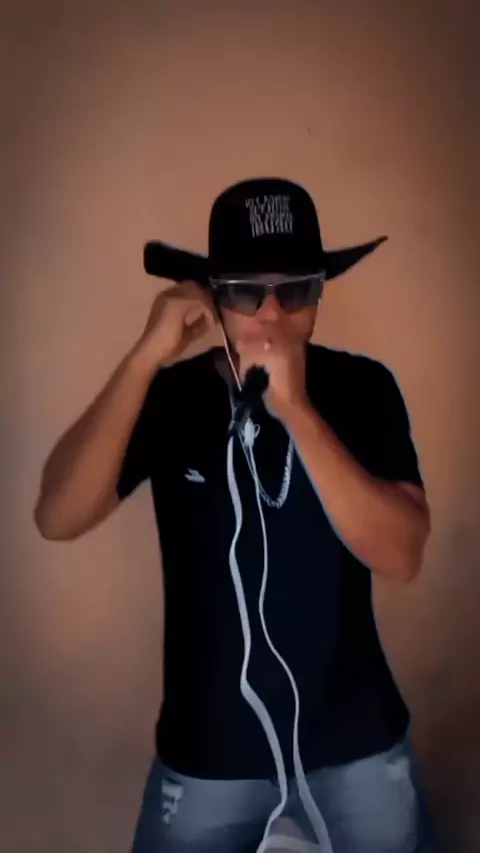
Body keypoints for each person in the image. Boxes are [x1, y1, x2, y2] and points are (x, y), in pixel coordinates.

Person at [35, 178, 434, 852]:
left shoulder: (365, 388)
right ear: (213, 296)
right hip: (207, 757)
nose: (272, 312)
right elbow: (57, 516)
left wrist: (298, 411)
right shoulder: (170, 398)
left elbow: (402, 556)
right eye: (247, 292)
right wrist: (146, 356)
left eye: (296, 290)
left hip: (357, 750)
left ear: (319, 295)